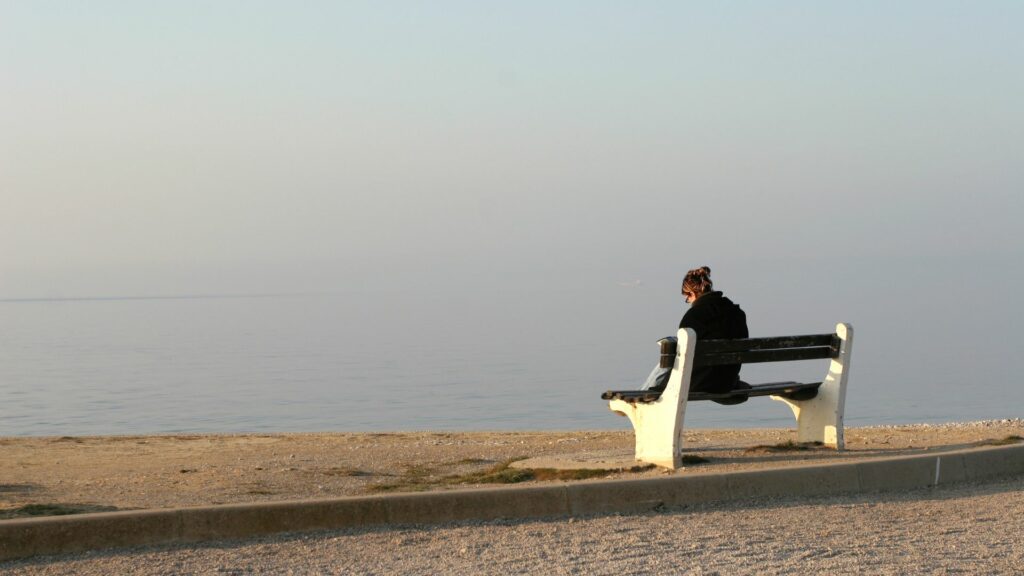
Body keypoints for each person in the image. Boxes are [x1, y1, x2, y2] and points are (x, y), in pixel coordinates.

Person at [642, 266, 749, 400]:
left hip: (701, 383)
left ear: (692, 293)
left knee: (670, 352)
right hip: (728, 382)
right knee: (672, 352)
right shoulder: (736, 312)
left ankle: (645, 392)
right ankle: (647, 390)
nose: (689, 302)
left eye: (687, 298)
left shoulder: (694, 316)